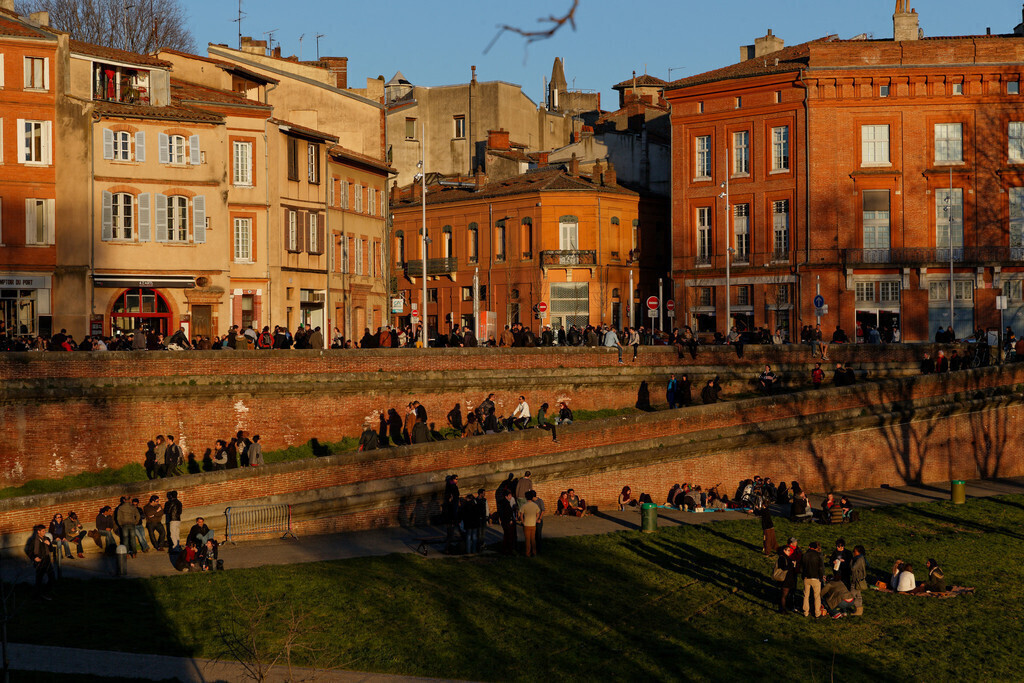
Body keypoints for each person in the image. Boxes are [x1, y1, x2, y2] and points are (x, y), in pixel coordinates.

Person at [28, 525, 55, 599]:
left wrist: (49, 545)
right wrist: (34, 558)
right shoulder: (33, 541)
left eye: (45, 531)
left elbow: (51, 550)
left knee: (52, 577)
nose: (44, 532)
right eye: (43, 531)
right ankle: (38, 594)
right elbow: (29, 551)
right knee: (39, 579)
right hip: (39, 561)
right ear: (38, 531)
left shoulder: (47, 539)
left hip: (47, 560)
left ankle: (47, 591)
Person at [776, 537, 801, 614]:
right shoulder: (783, 557)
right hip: (787, 577)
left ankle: (786, 606)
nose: (790, 552)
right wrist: (792, 565)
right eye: (788, 550)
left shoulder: (796, 549)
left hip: (791, 575)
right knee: (785, 593)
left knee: (789, 592)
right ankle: (783, 608)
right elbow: (784, 567)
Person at [801, 541, 825, 618]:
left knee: (806, 595)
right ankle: (817, 613)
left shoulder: (804, 555)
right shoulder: (818, 556)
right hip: (816, 578)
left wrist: (803, 576)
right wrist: (821, 578)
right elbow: (820, 568)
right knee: (817, 597)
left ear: (809, 547)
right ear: (815, 548)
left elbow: (802, 568)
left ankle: (805, 612)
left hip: (806, 578)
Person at [520, 490, 542, 557]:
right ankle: (534, 552)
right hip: (533, 524)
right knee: (533, 539)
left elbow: (521, 515)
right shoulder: (535, 505)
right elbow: (538, 513)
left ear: (526, 497)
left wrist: (523, 521)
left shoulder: (524, 505)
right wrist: (536, 519)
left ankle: (528, 553)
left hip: (526, 524)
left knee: (527, 540)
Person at [443, 474, 461, 554]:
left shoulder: (449, 486)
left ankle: (448, 548)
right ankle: (447, 549)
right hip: (451, 518)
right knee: (451, 534)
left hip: (450, 517)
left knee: (450, 534)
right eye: (456, 479)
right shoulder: (452, 487)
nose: (457, 480)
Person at [498, 489, 517, 555]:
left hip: (504, 521)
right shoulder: (506, 503)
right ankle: (509, 550)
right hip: (508, 522)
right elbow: (508, 513)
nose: (511, 497)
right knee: (509, 536)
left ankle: (505, 550)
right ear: (506, 496)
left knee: (506, 536)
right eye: (510, 495)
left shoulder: (502, 502)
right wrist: (510, 520)